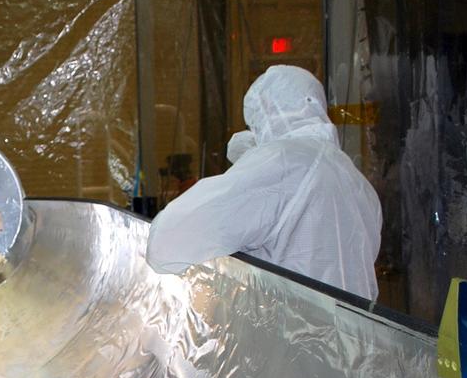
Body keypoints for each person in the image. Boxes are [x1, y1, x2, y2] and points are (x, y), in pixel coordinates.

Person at [146, 65, 382, 300]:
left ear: (266, 109)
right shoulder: (357, 182)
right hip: (355, 334)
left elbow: (167, 240)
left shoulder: (281, 162)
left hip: (291, 331)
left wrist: (252, 164)